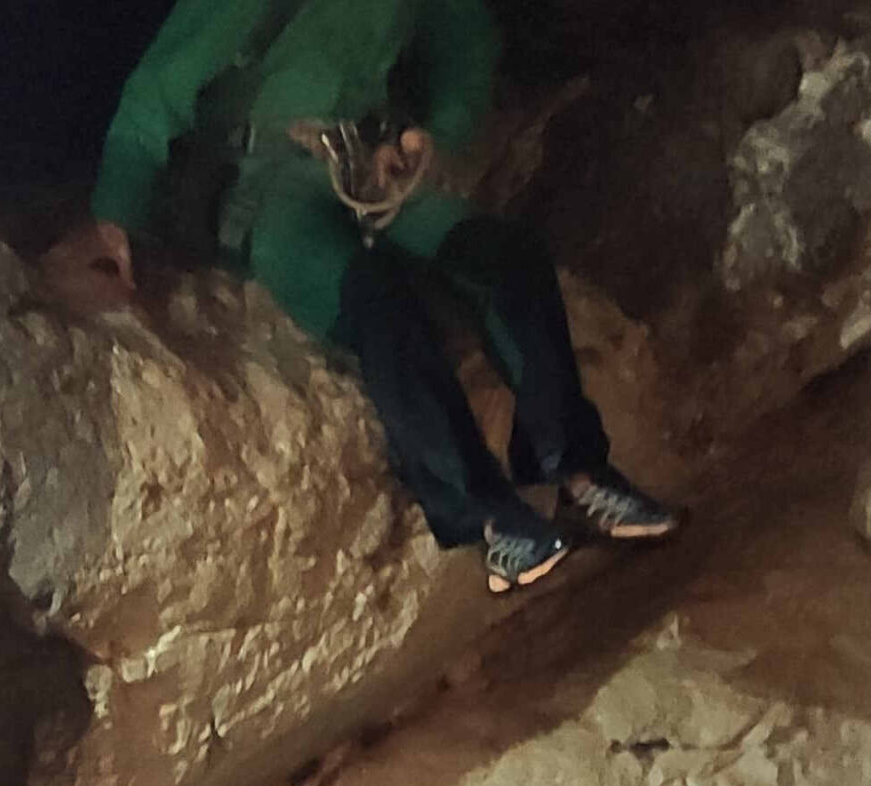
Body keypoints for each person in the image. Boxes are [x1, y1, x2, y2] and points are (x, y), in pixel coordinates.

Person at [50, 0, 680, 593]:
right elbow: (161, 84)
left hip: (366, 162)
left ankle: (577, 472)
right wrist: (116, 210)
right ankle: (487, 518)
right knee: (374, 298)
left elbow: (465, 36)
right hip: (266, 184)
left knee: (505, 255)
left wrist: (437, 132)